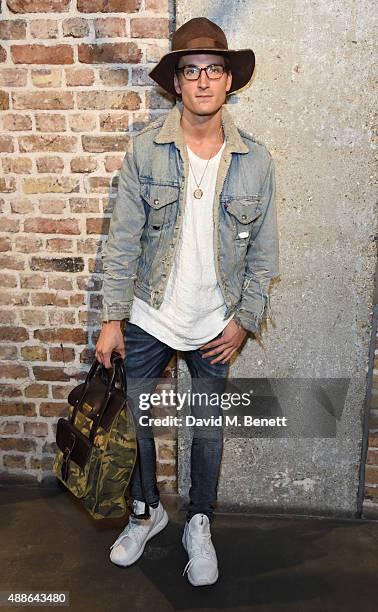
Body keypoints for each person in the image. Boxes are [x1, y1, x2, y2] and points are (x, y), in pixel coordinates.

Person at [95, 16, 279, 586]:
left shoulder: (257, 161)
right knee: (135, 420)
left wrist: (244, 321)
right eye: (191, 70)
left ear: (230, 82)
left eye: (214, 70)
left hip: (215, 323)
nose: (203, 81)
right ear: (177, 83)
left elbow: (265, 256)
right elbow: (122, 240)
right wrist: (111, 319)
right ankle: (146, 512)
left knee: (207, 430)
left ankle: (199, 520)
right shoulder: (144, 153)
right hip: (151, 315)